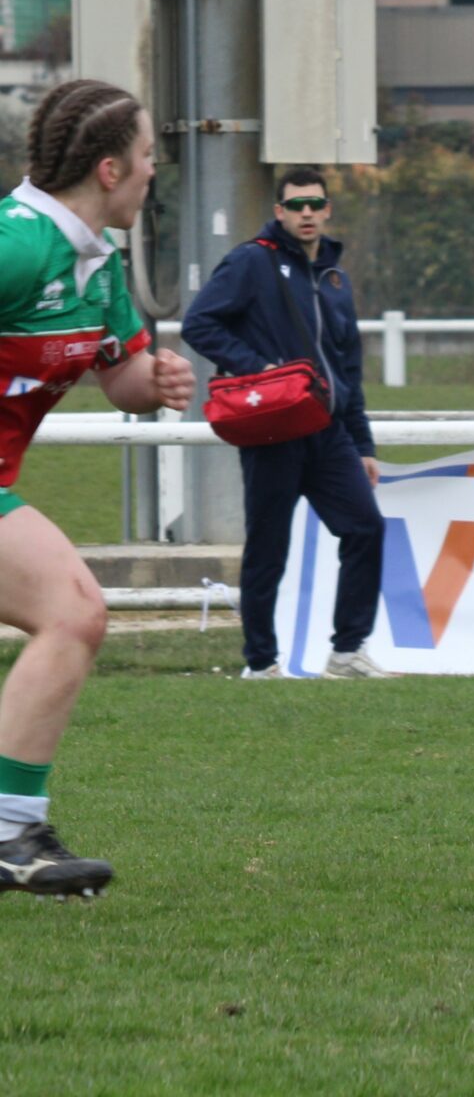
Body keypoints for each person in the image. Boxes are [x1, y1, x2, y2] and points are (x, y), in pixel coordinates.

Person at [0, 79, 196, 896]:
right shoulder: (17, 246)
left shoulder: (98, 263)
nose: (155, 170)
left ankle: (12, 832)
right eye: (148, 155)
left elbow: (122, 379)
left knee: (74, 612)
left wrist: (158, 381)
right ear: (109, 170)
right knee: (72, 611)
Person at [182, 166, 389, 680]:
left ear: (328, 209)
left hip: (329, 433)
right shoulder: (252, 261)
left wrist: (363, 444)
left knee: (366, 527)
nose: (306, 213)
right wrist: (260, 369)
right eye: (296, 205)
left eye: (315, 204)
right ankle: (261, 663)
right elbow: (198, 323)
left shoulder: (334, 277)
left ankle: (347, 653)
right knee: (269, 549)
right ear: (279, 211)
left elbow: (347, 369)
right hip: (273, 429)